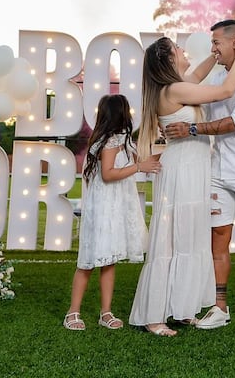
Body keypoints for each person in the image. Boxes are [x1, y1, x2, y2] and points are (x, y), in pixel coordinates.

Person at [129, 26, 235, 336]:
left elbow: (199, 74)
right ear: (169, 59)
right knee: (170, 241)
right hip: (181, 170)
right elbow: (226, 90)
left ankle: (181, 307)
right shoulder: (173, 91)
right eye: (178, 49)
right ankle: (154, 315)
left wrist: (218, 55)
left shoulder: (177, 85)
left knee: (188, 238)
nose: (184, 52)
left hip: (193, 168)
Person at [163, 19, 235, 333]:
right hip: (217, 171)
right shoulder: (217, 76)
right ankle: (220, 306)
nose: (212, 49)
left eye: (217, 43)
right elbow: (186, 91)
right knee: (218, 240)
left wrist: (191, 129)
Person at [63, 94, 161, 331]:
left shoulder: (124, 140)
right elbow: (108, 174)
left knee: (110, 260)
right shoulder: (108, 142)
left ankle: (105, 312)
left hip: (116, 207)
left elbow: (145, 159)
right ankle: (72, 312)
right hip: (104, 209)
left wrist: (159, 140)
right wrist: (138, 166)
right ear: (121, 114)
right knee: (88, 261)